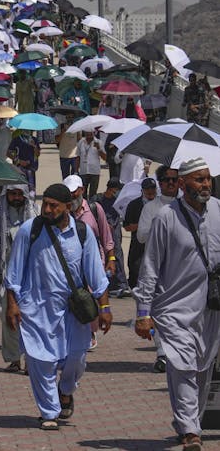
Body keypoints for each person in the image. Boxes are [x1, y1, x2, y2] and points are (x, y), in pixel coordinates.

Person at [5, 184, 111, 430]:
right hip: (36, 311)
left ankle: (66, 390)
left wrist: (104, 308)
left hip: (73, 313)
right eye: (46, 204)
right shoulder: (29, 231)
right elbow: (14, 273)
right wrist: (12, 305)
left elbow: (97, 275)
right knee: (40, 363)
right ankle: (49, 412)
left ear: (68, 207)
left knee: (77, 359)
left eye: (54, 206)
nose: (48, 209)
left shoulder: (82, 234)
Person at [134, 158, 220, 450]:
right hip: (173, 309)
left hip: (210, 308)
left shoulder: (219, 211)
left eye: (208, 179)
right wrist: (143, 312)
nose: (205, 184)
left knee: (202, 368)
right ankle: (190, 430)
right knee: (182, 365)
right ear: (182, 184)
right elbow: (150, 266)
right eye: (199, 179)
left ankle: (188, 422)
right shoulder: (166, 217)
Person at [135, 165, 180, 373]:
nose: (170, 184)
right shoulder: (151, 208)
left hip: (182, 269)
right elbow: (141, 236)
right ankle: (162, 353)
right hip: (158, 267)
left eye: (174, 180)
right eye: (166, 180)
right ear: (160, 184)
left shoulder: (185, 206)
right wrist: (160, 223)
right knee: (159, 312)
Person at [0, 184, 38, 373]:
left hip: (29, 274)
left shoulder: (34, 214)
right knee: (7, 316)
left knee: (29, 318)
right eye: (13, 194)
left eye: (20, 194)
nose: (16, 197)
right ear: (6, 195)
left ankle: (31, 360)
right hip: (4, 272)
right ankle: (14, 359)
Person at [90, 178, 131, 298]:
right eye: (117, 189)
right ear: (111, 189)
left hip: (113, 233)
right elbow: (91, 215)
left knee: (117, 255)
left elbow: (118, 217)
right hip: (99, 232)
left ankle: (122, 284)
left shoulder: (117, 201)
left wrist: (112, 226)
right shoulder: (97, 200)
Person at [123, 178, 157, 289]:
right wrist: (142, 226)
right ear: (142, 190)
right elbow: (127, 227)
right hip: (138, 245)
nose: (151, 191)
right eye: (148, 189)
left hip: (156, 245)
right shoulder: (133, 205)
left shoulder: (162, 204)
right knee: (135, 270)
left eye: (153, 188)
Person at [8, 130, 40, 196]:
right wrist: (18, 161)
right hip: (19, 168)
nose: (27, 130)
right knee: (20, 188)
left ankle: (31, 202)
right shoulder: (16, 139)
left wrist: (34, 146)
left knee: (31, 190)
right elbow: (9, 153)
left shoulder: (34, 139)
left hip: (31, 168)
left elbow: (37, 154)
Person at [75, 131, 106, 199]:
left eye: (90, 134)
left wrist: (99, 148)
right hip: (83, 171)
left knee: (93, 194)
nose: (89, 136)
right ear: (85, 133)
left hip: (94, 172)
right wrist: (76, 170)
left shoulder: (99, 142)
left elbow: (104, 158)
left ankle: (92, 207)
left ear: (93, 133)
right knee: (82, 193)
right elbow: (78, 157)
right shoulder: (81, 142)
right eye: (87, 134)